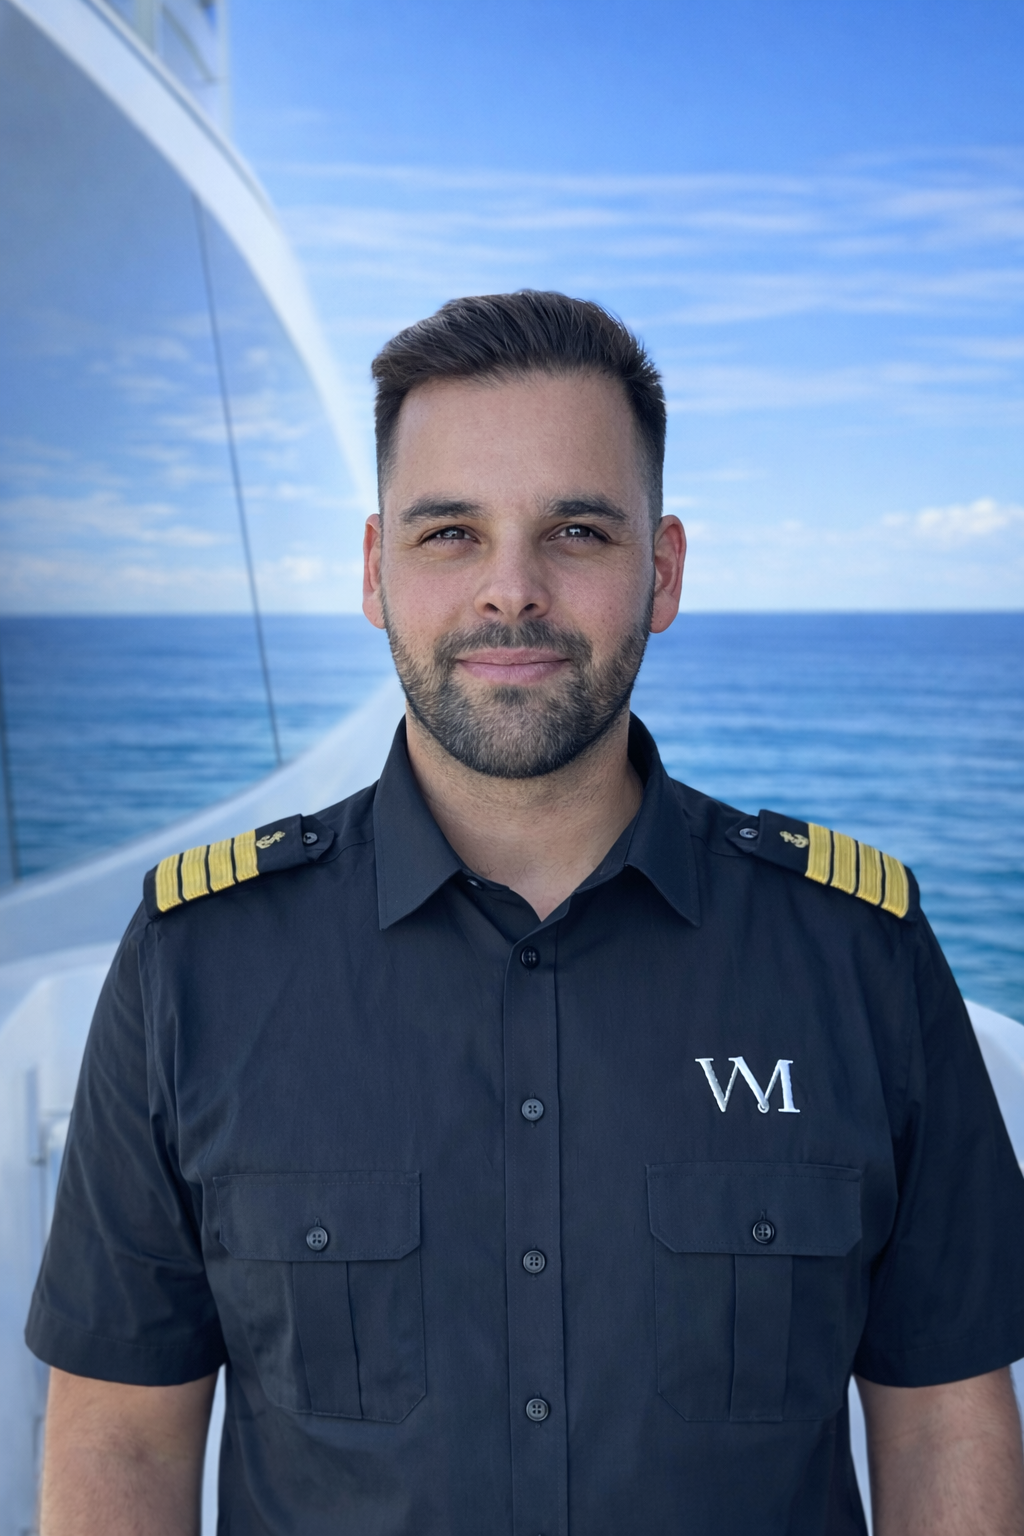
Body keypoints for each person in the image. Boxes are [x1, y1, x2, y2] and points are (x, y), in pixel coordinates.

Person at [28, 291, 1024, 1536]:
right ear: (373, 571)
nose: (511, 591)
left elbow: (941, 1419)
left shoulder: (855, 955)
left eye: (575, 531)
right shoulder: (196, 966)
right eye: (448, 532)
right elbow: (121, 1436)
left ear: (658, 573)